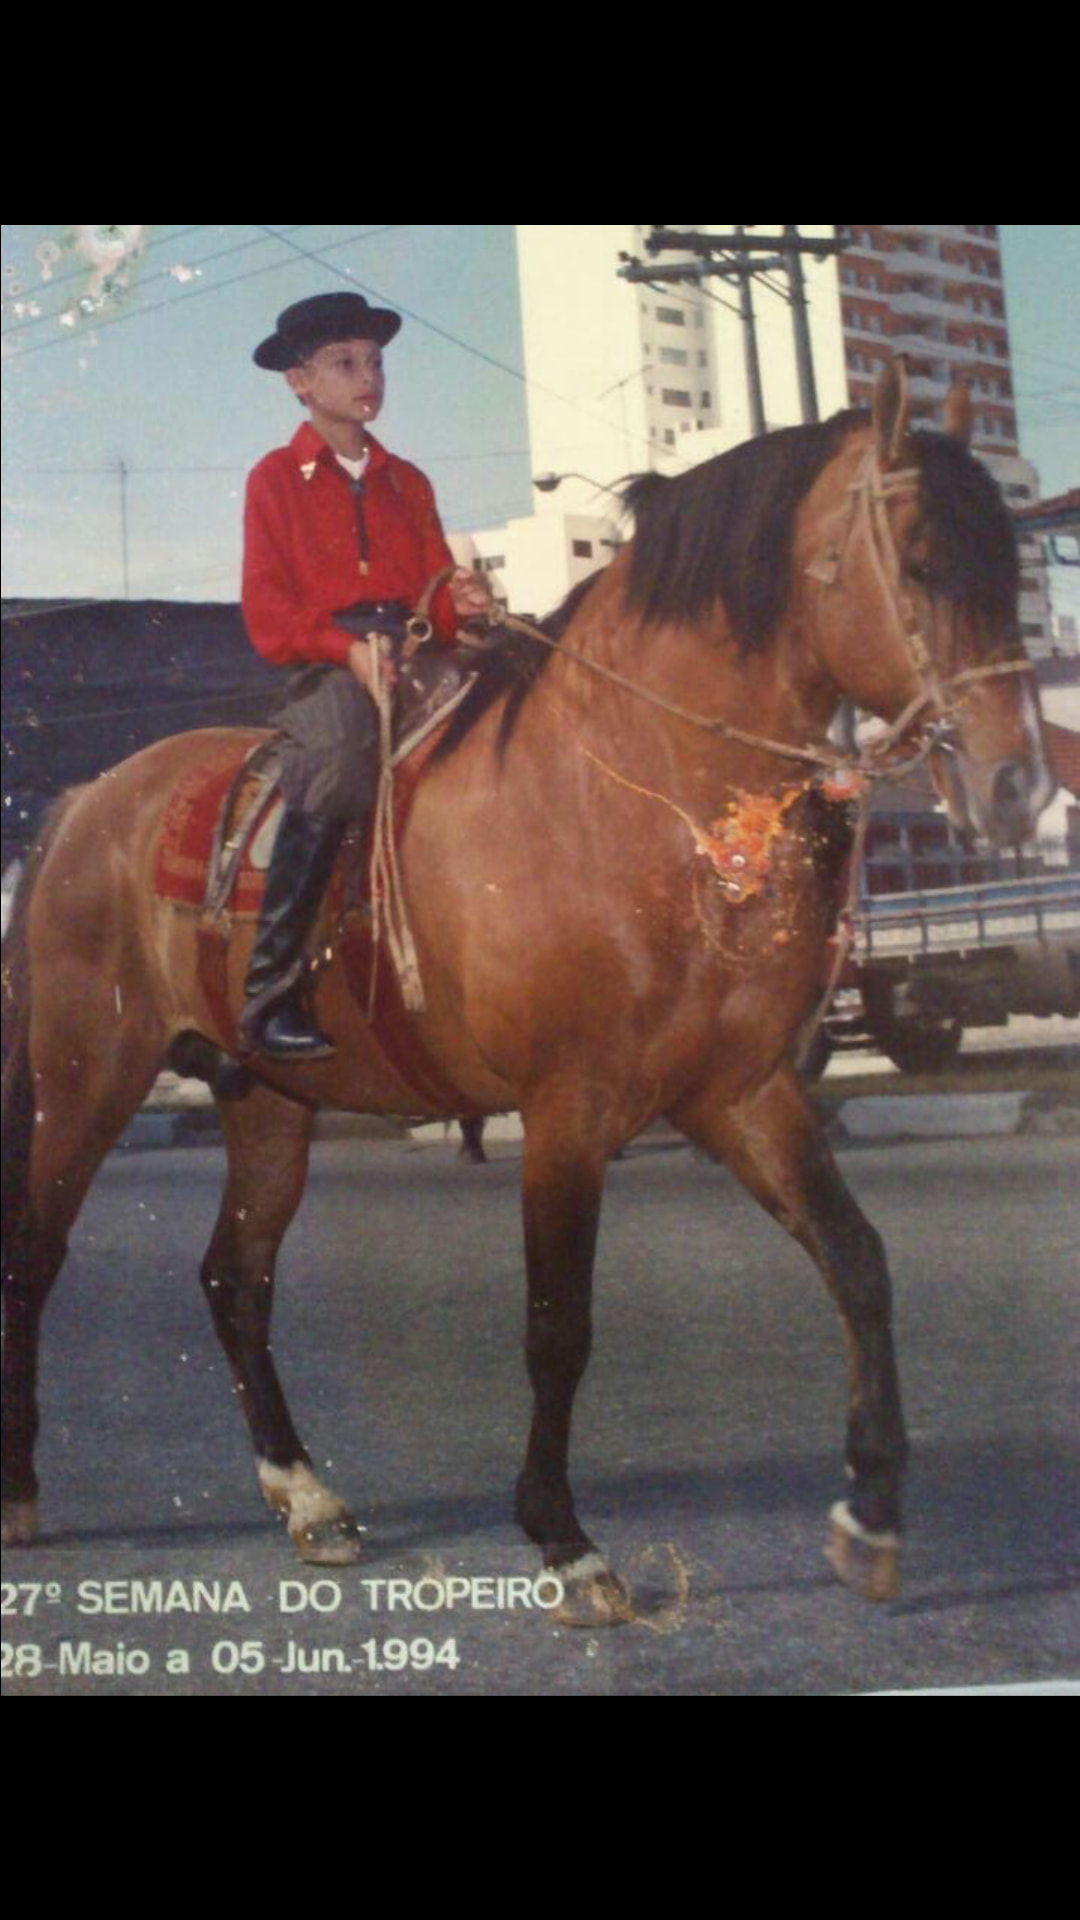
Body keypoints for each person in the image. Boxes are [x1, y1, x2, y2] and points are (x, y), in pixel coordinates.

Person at [240, 292, 494, 1061]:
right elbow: (267, 610)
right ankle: (271, 989)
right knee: (341, 753)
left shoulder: (406, 481)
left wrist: (459, 602)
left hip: (415, 652)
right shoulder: (274, 478)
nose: (368, 377)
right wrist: (343, 648)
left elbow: (433, 590)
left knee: (512, 714)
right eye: (345, 363)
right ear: (300, 381)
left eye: (376, 362)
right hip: (328, 663)